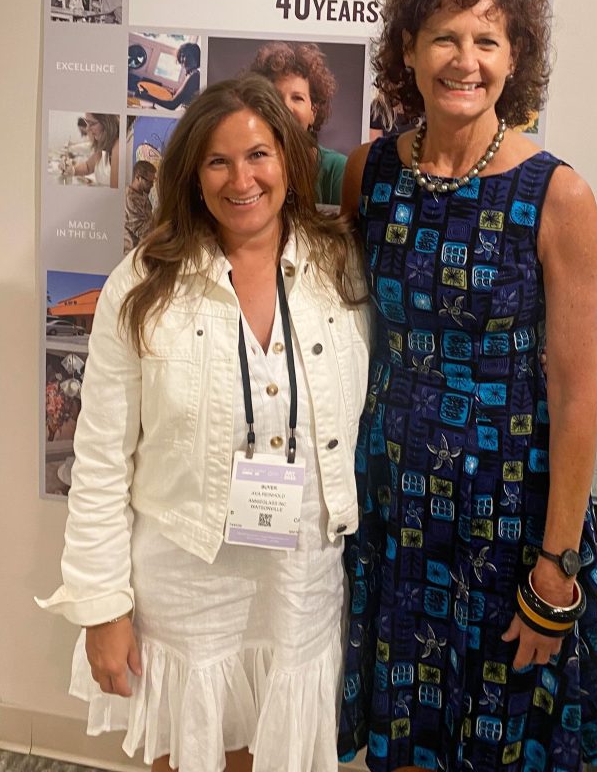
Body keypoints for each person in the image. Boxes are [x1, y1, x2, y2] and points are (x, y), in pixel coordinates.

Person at [337, 0, 597, 771]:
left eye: (486, 41)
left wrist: (556, 567)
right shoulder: (371, 173)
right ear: (410, 55)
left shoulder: (556, 195)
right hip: (394, 503)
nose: (465, 60)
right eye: (444, 38)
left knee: (506, 726)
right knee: (408, 725)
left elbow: (576, 400)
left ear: (515, 57)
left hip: (510, 515)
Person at [37, 75, 371, 772]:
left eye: (258, 155)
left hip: (300, 573)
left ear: (289, 159)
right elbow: (98, 460)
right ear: (191, 173)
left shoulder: (341, 268)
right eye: (218, 161)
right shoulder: (143, 283)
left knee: (277, 749)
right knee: (188, 751)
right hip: (185, 576)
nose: (241, 179)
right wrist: (102, 606)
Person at [248, 41, 347, 205]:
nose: (286, 107)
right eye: (276, 97)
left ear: (313, 113)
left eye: (297, 98)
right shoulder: (247, 167)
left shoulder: (337, 169)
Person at [136, 41, 202, 110]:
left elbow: (172, 105)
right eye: (182, 55)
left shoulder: (194, 76)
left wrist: (147, 96)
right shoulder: (191, 74)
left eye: (188, 55)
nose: (183, 58)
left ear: (196, 58)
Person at [65, 113, 119, 187]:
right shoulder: (103, 148)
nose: (87, 129)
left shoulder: (118, 147)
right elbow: (87, 166)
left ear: (107, 123)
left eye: (92, 123)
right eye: (87, 123)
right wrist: (73, 170)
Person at [123, 159, 156, 254]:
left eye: (153, 181)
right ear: (138, 178)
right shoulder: (129, 199)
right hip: (132, 254)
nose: (152, 185)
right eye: (149, 182)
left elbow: (149, 220)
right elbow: (142, 230)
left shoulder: (143, 194)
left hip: (144, 250)